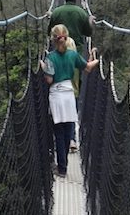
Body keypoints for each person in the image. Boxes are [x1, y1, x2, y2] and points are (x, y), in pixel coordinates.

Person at [40, 24, 99, 178]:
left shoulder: (50, 57)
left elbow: (49, 79)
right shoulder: (73, 55)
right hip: (69, 95)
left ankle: (62, 168)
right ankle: (63, 166)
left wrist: (44, 67)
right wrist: (97, 60)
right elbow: (87, 68)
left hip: (56, 96)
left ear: (52, 39)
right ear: (66, 37)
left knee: (58, 133)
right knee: (67, 132)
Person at [47, 0, 95, 151]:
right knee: (73, 91)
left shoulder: (57, 12)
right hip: (75, 56)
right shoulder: (81, 12)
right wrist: (89, 21)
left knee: (55, 87)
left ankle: (61, 136)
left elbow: (50, 32)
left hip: (57, 61)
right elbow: (88, 32)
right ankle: (72, 138)